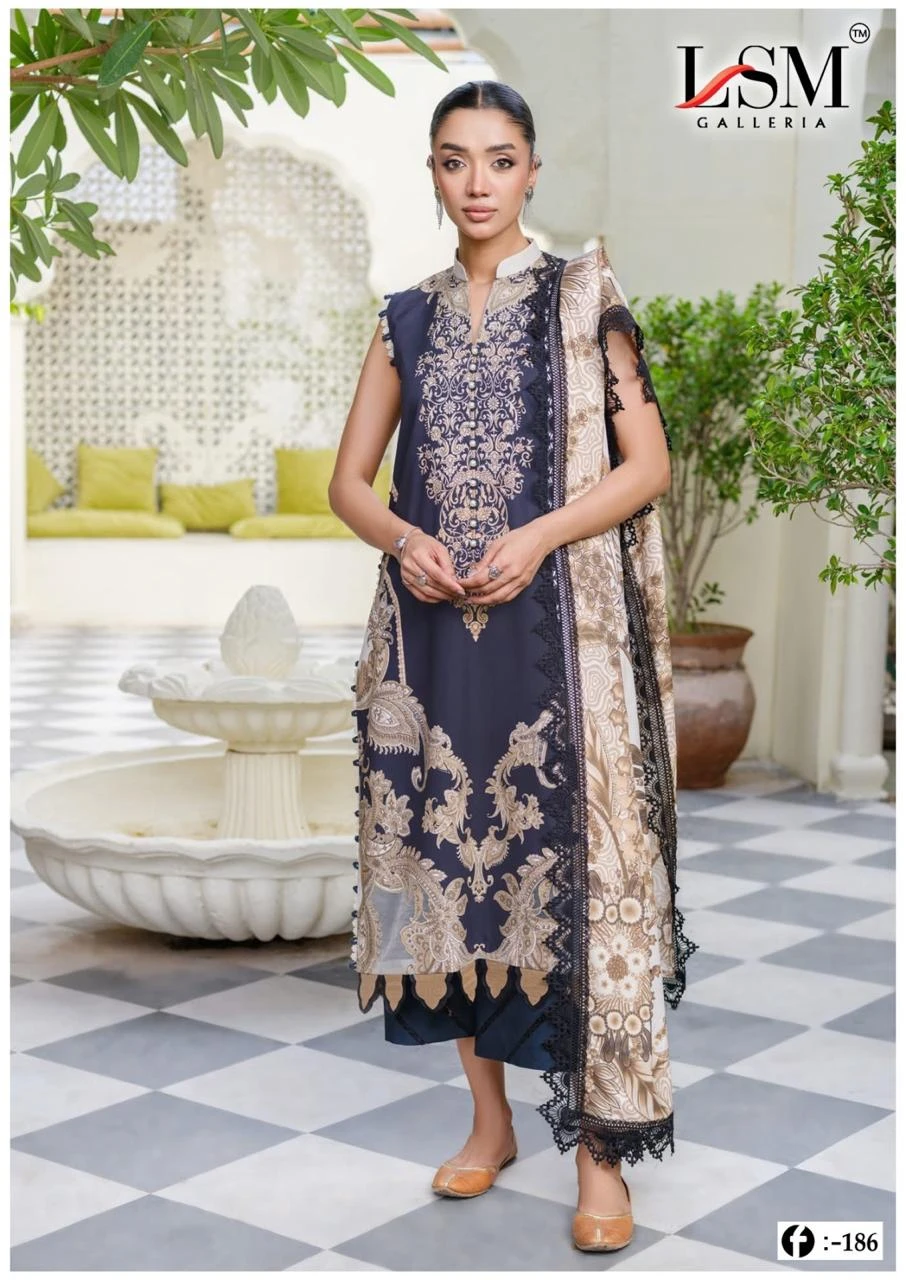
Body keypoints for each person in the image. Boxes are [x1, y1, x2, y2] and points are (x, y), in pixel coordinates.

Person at [329, 80, 697, 1254]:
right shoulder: (405, 318)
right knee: (454, 867)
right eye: (455, 160)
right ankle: (489, 1124)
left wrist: (537, 535)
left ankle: (599, 1157)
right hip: (438, 637)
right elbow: (349, 481)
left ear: (533, 170)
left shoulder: (586, 297)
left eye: (500, 159)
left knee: (583, 877)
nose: (478, 182)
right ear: (433, 174)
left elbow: (647, 465)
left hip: (560, 640)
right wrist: (407, 541)